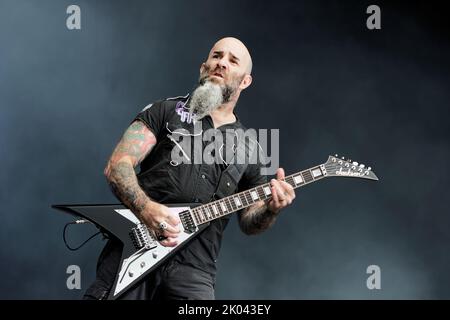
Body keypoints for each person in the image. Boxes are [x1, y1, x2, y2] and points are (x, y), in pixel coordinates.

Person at [83, 37, 296, 300]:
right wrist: (146, 209)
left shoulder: (250, 147)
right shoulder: (166, 111)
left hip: (195, 272)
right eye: (216, 56)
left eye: (232, 60)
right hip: (134, 252)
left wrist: (272, 209)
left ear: (245, 81)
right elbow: (118, 166)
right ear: (203, 67)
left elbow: (250, 223)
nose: (221, 63)